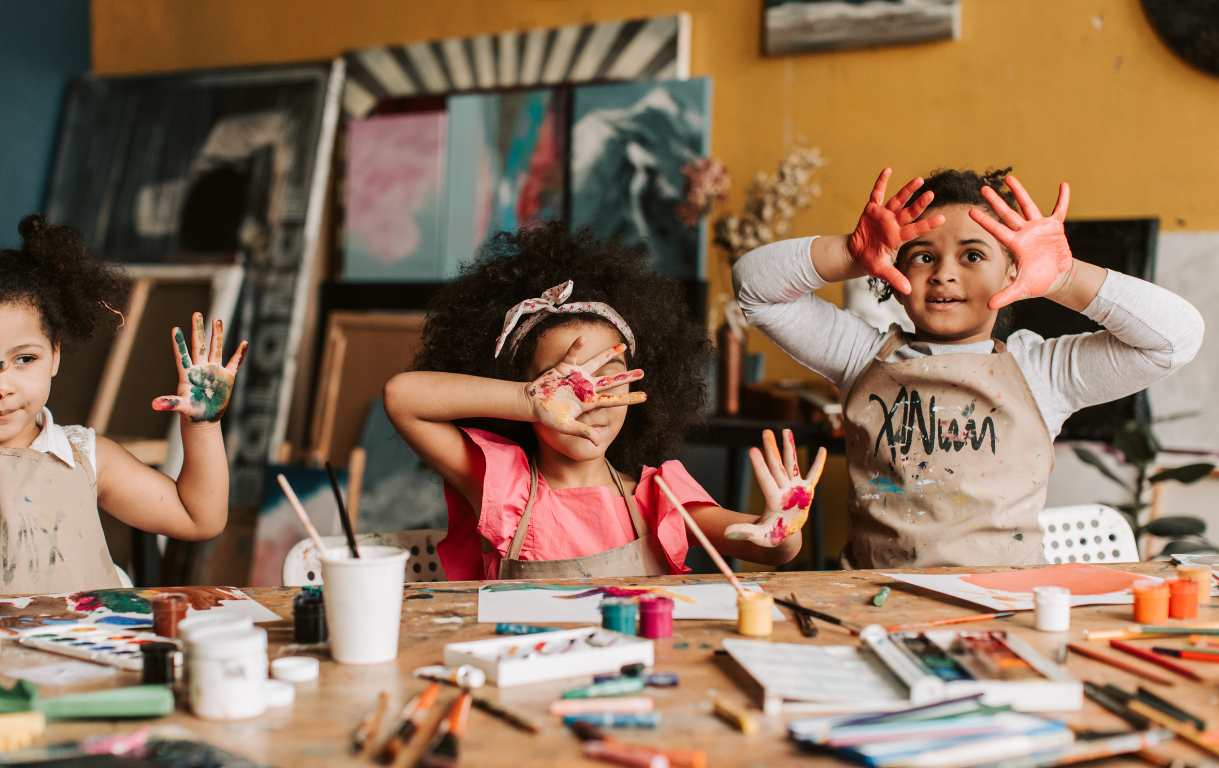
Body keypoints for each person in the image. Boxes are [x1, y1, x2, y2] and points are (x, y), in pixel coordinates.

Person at [734, 167, 1204, 569]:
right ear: (893, 274)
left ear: (1014, 272)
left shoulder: (1041, 371)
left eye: (973, 255)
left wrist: (1064, 276)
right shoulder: (859, 356)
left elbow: (1174, 339)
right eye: (922, 255)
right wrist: (851, 253)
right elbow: (753, 287)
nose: (944, 272)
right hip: (874, 605)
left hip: (1005, 610)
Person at [385, 222, 824, 580]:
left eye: (609, 380)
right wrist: (525, 399)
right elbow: (401, 397)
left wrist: (780, 528)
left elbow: (769, 549)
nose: (589, 400)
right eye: (563, 384)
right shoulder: (502, 486)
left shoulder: (659, 496)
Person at [0, 215, 247, 597]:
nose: (1, 386)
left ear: (55, 355)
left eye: (25, 359)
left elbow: (200, 518)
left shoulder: (86, 458)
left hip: (83, 657)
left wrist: (203, 427)